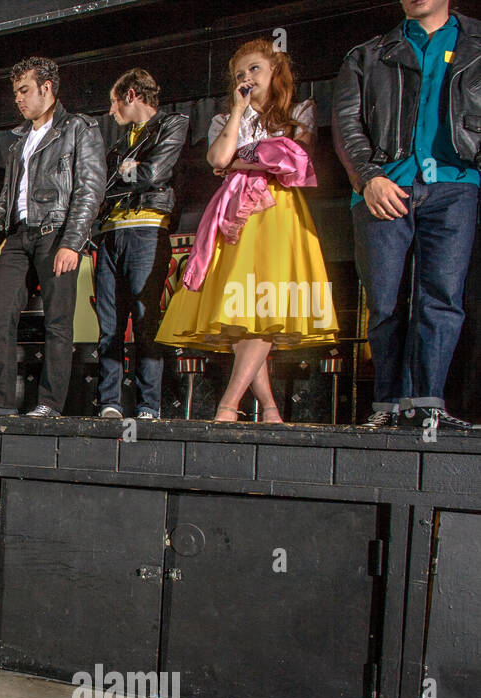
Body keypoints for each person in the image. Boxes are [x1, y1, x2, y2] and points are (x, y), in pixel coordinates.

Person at [156, 39, 336, 422]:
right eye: (240, 74)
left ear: (275, 73)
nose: (247, 77)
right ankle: (269, 408)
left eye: (255, 69)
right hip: (233, 216)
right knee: (241, 316)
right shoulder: (225, 120)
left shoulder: (300, 111)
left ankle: (228, 404)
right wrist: (239, 115)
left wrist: (245, 158)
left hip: (276, 213)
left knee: (261, 307)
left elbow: (296, 161)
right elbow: (218, 159)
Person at [335, 0, 480, 430]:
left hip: (456, 185)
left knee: (442, 298)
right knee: (384, 301)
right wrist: (367, 178)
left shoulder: (475, 43)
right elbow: (346, 123)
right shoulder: (366, 55)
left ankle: (429, 402)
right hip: (385, 185)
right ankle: (390, 403)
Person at [0, 57, 106, 417]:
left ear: (47, 88)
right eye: (15, 92)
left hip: (56, 232)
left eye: (24, 90)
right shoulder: (18, 143)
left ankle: (48, 404)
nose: (18, 99)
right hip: (18, 237)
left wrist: (72, 242)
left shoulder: (79, 128)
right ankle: (0, 403)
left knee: (57, 322)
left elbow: (90, 189)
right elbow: (4, 201)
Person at [95, 69, 188, 420]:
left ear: (131, 95)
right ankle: (110, 403)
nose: (110, 111)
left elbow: (155, 174)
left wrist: (122, 175)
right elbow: (106, 185)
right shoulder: (119, 145)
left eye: (114, 102)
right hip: (109, 233)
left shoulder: (172, 124)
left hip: (147, 229)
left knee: (146, 320)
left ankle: (148, 406)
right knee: (109, 324)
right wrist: (128, 172)